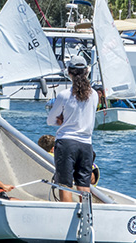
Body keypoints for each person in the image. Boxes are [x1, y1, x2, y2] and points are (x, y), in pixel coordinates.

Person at [46, 56, 98, 203]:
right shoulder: (94, 95)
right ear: (87, 72)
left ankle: (66, 216)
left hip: (66, 143)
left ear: (69, 73)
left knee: (65, 184)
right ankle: (86, 216)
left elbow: (50, 121)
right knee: (84, 184)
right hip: (86, 144)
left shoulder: (64, 95)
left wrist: (61, 120)